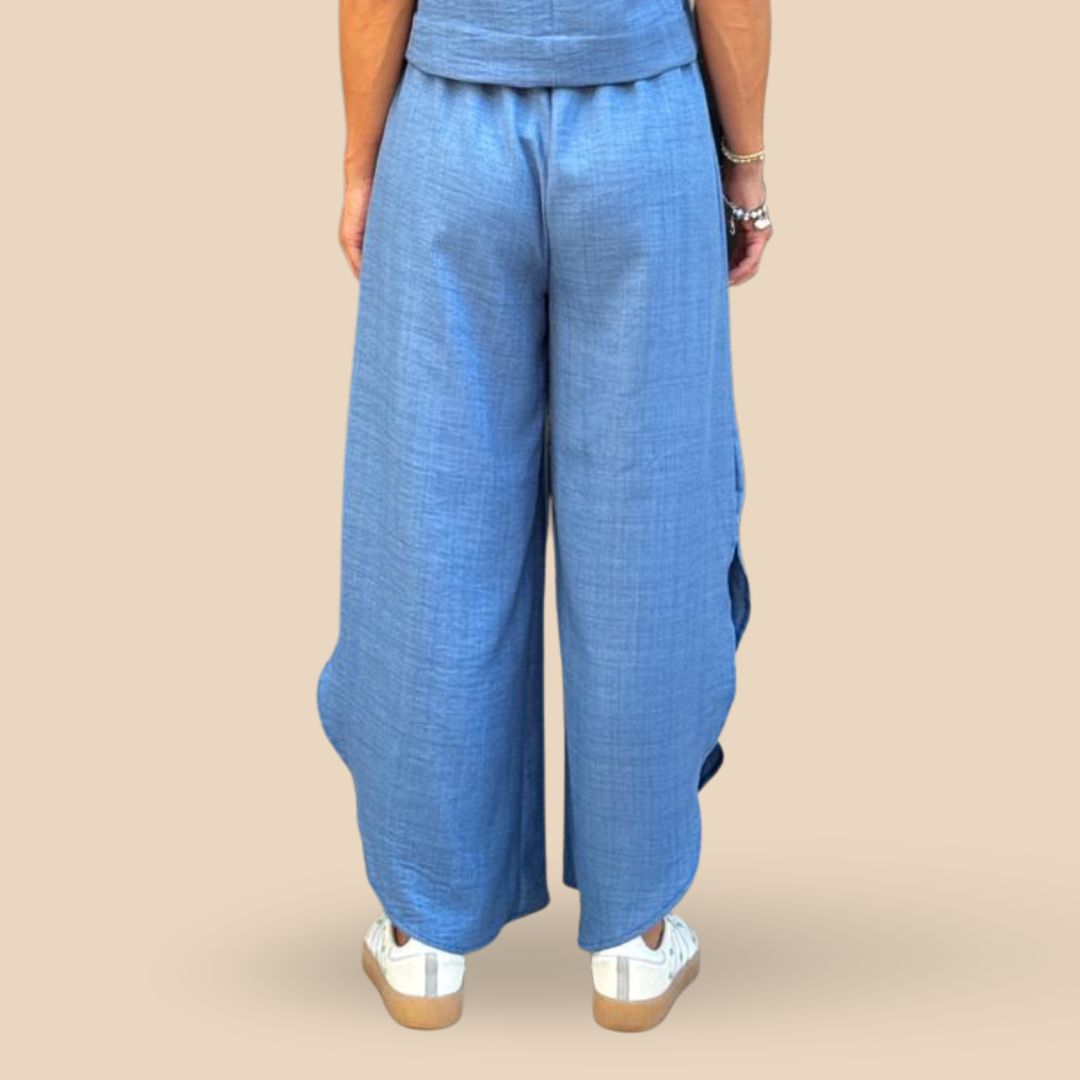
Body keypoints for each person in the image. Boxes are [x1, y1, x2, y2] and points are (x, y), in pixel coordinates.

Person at [317, 0, 772, 1032]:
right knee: (650, 522)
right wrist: (744, 166)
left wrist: (360, 161)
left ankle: (425, 939)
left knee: (430, 517)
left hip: (449, 129)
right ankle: (634, 943)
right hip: (644, 126)